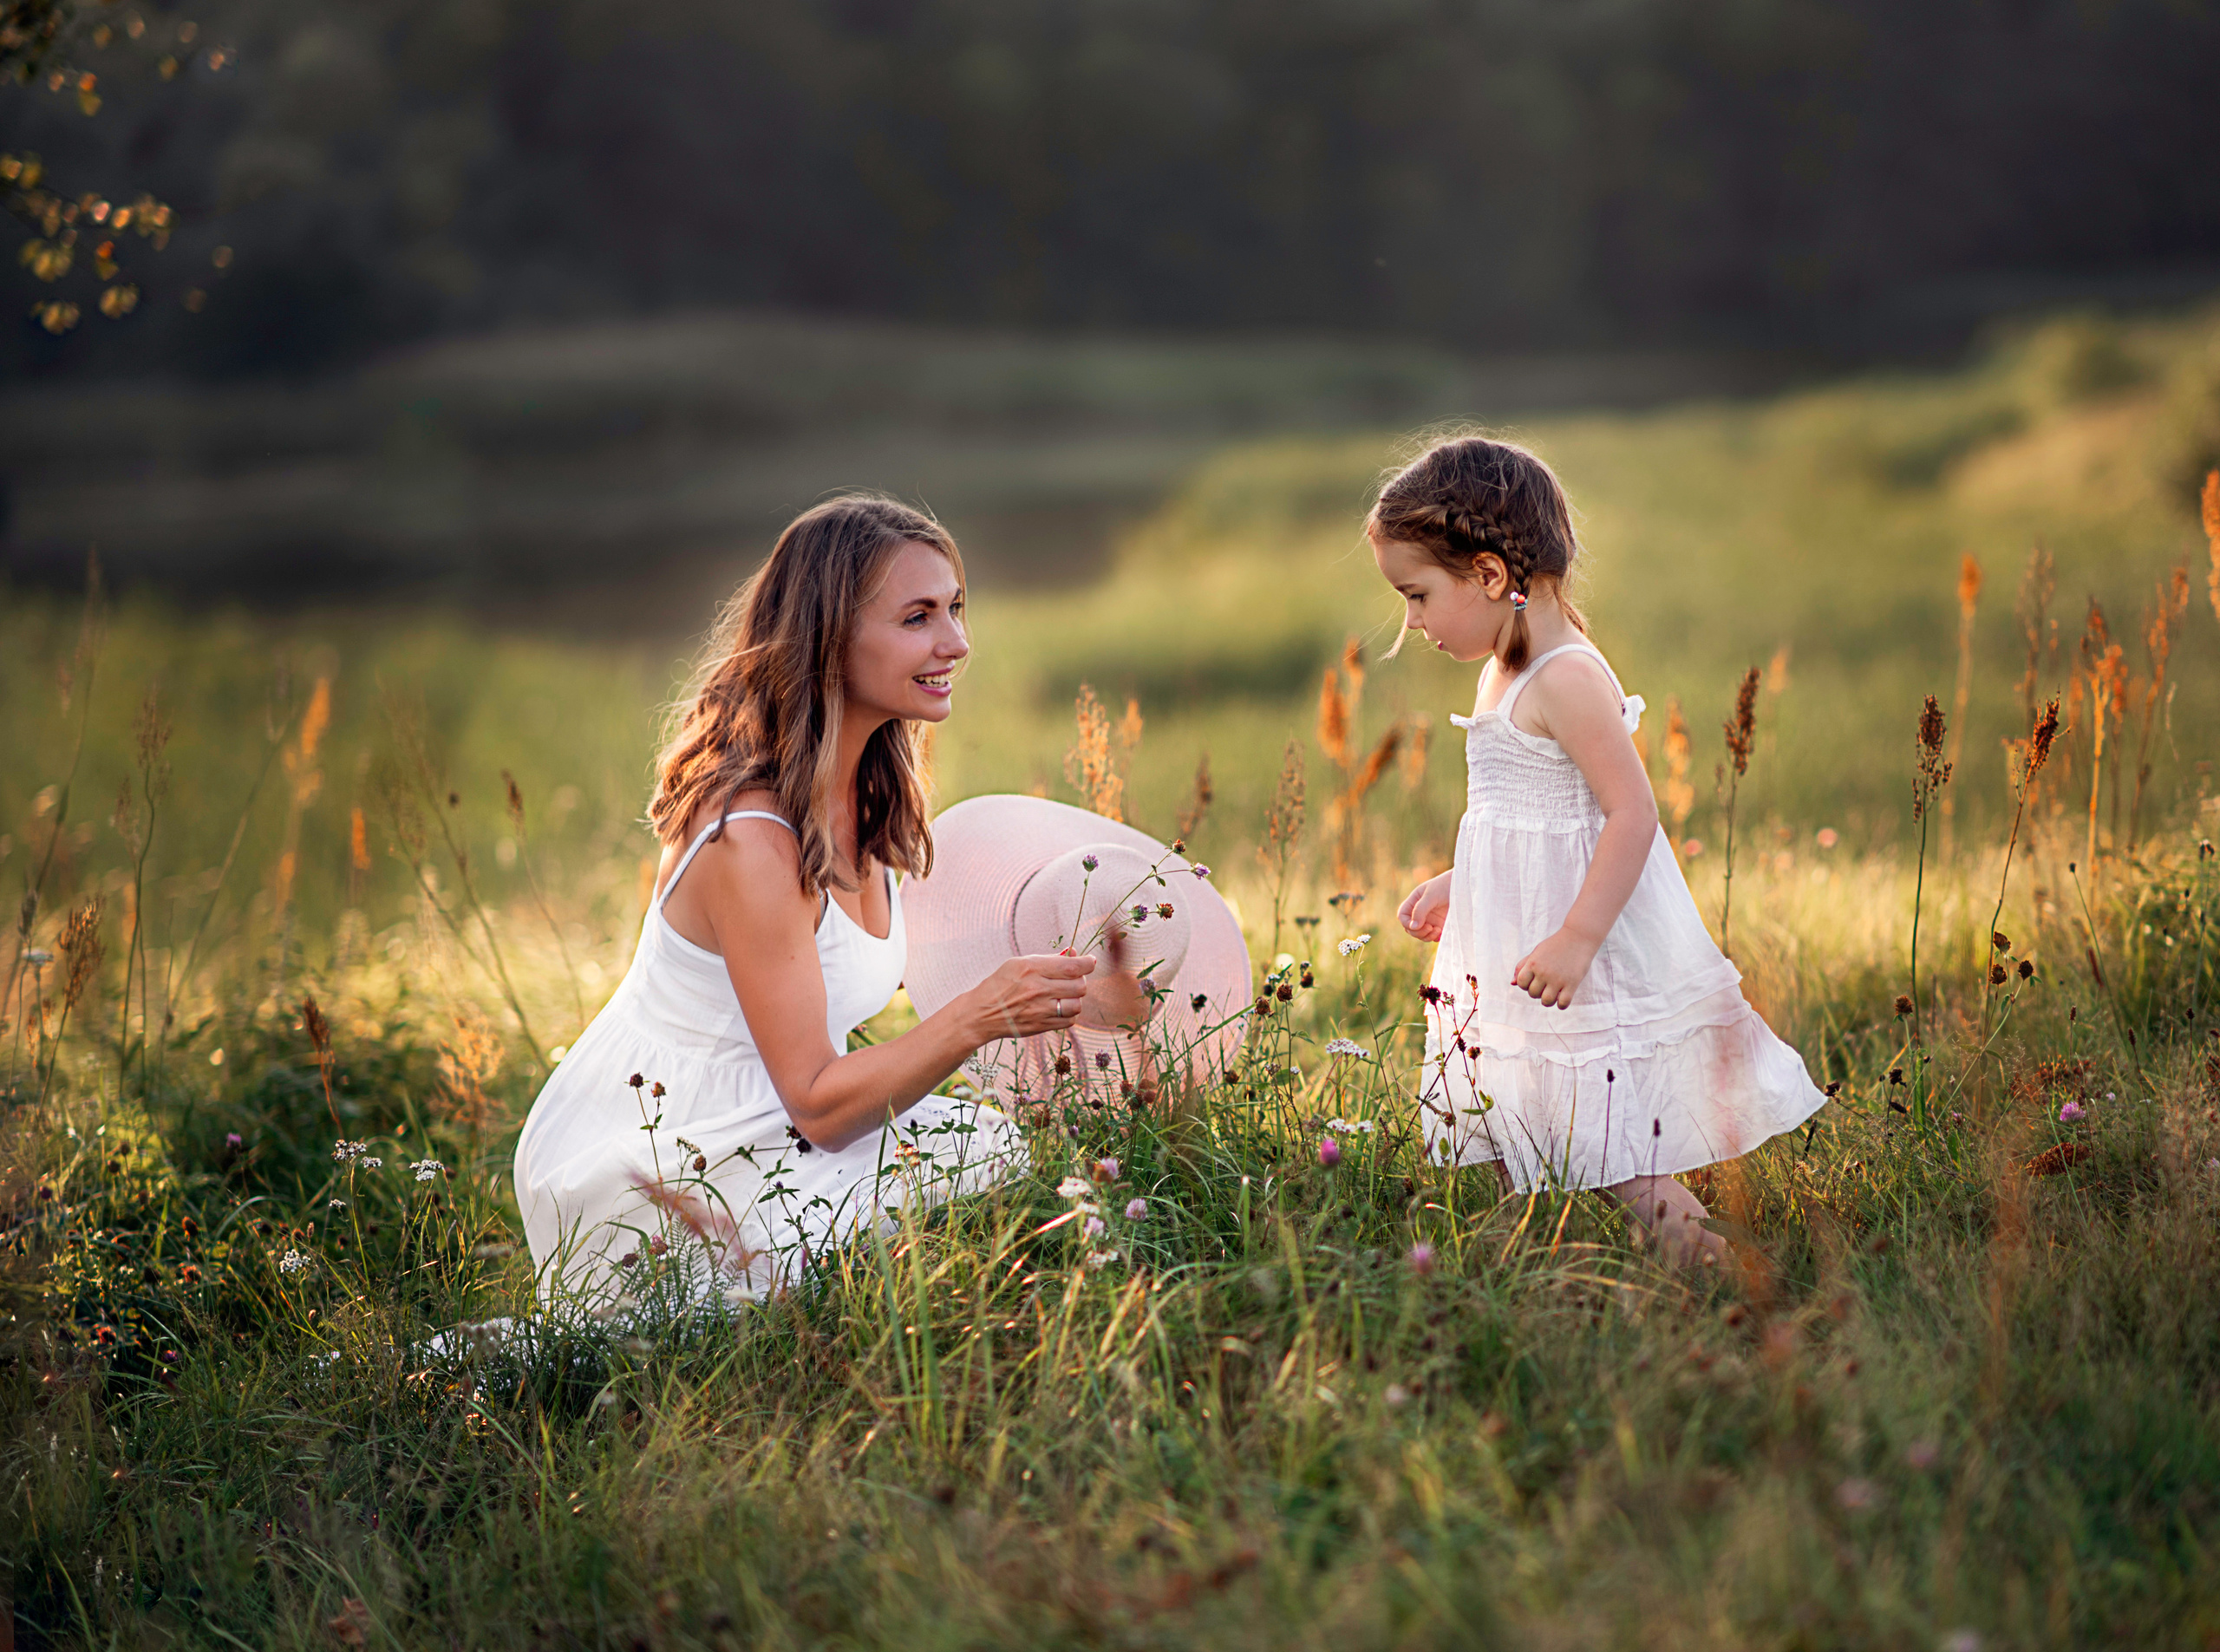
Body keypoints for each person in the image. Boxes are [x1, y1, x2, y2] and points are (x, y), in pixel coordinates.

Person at [513, 494, 1098, 1307]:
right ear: (830, 637)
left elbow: (910, 972)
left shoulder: (869, 792)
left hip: (776, 1123)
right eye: (919, 616)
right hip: (663, 1155)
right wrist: (978, 1016)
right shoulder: (752, 836)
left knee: (998, 1157)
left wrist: (1110, 938)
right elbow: (823, 1106)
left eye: (957, 608)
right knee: (862, 1256)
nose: (957, 642)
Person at [1370, 434, 1826, 1264]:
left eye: (1417, 595)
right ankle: (1538, 1271)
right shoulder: (1504, 669)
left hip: (1581, 946)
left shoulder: (1566, 678)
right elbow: (1524, 814)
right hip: (1523, 944)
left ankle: (1722, 1275)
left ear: (1488, 574)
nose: (1412, 621)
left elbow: (1629, 814)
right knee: (1520, 1114)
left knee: (1615, 1147)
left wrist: (1578, 938)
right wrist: (1459, 882)